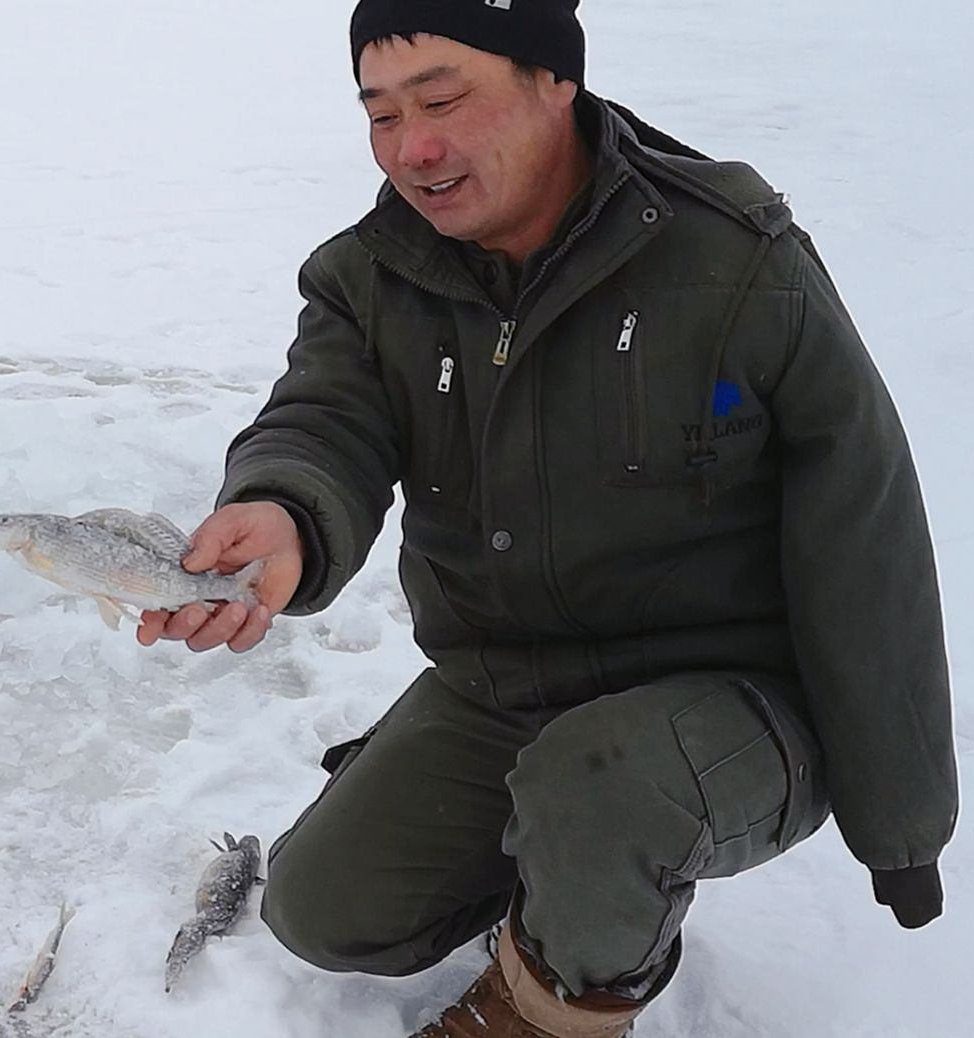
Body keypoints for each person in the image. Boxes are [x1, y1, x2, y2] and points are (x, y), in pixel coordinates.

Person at [135, 1, 958, 1035]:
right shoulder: (368, 279)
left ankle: (547, 1000)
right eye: (380, 114)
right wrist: (282, 516)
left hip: (738, 704)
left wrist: (901, 832)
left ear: (551, 80)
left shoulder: (736, 263)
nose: (411, 149)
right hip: (509, 684)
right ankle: (568, 874)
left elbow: (865, 540)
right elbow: (322, 423)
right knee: (323, 913)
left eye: (441, 99)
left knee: (606, 791)